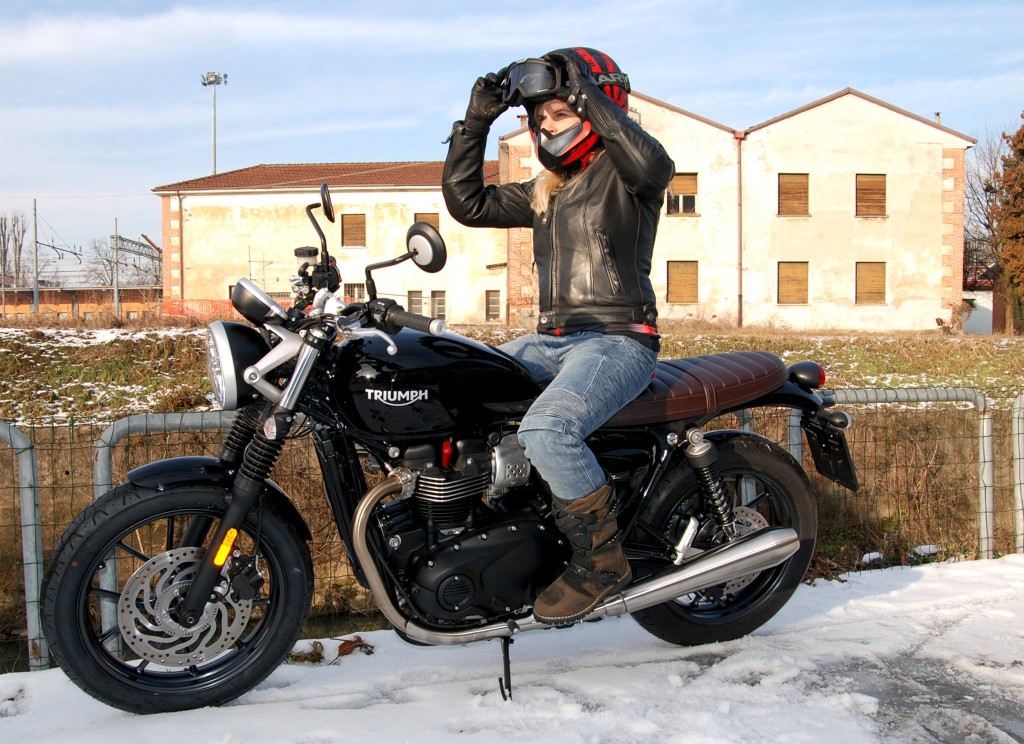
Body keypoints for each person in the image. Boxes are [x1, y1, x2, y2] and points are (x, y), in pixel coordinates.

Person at [442, 47, 674, 625]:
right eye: (538, 117)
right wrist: (475, 123)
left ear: (595, 106)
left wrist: (583, 94)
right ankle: (502, 532)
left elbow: (651, 165)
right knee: (457, 387)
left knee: (548, 429)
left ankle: (601, 560)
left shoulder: (629, 176)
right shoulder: (549, 189)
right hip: (550, 340)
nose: (545, 124)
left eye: (557, 113)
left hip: (617, 339)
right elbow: (466, 203)